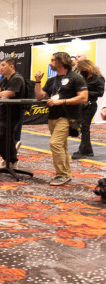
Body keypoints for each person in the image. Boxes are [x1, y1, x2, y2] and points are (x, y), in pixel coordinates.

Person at [34, 51, 88, 186]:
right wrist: (38, 81)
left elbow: (83, 97)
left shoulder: (76, 78)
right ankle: (66, 174)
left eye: (53, 60)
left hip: (68, 117)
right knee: (61, 146)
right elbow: (39, 96)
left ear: (61, 62)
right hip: (53, 116)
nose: (51, 63)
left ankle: (61, 174)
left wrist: (61, 101)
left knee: (55, 144)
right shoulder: (52, 80)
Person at [0, 57, 27, 169]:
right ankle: (10, 158)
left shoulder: (17, 78)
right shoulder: (3, 79)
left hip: (14, 112)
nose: (0, 68)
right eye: (0, 65)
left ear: (11, 66)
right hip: (4, 110)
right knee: (2, 132)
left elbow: (9, 93)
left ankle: (11, 160)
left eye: (3, 65)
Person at [72, 59, 104, 160]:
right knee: (83, 128)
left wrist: (85, 92)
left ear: (87, 68)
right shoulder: (83, 77)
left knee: (85, 127)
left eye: (82, 69)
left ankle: (82, 151)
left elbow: (100, 93)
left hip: (90, 105)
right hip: (81, 105)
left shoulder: (98, 78)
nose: (81, 71)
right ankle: (88, 151)